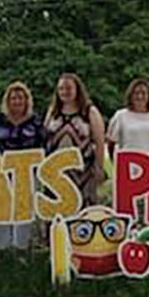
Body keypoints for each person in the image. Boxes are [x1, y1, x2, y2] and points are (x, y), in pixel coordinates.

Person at [106, 77, 149, 262]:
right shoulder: (121, 115)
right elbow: (111, 143)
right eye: (137, 93)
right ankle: (128, 256)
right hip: (130, 175)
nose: (140, 96)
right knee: (130, 218)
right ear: (131, 95)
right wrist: (117, 165)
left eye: (144, 93)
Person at [0, 81, 46, 259]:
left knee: (24, 211)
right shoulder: (0, 120)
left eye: (20, 97)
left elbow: (44, 145)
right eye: (13, 98)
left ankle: (20, 250)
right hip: (2, 172)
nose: (17, 101)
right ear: (7, 101)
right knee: (2, 210)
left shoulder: (36, 121)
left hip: (27, 173)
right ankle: (1, 251)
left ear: (26, 100)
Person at [44, 73, 105, 208]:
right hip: (56, 173)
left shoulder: (89, 111)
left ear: (77, 90)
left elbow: (100, 142)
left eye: (69, 88)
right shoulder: (53, 111)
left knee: (82, 208)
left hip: (83, 171)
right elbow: (45, 137)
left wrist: (99, 168)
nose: (65, 92)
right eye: (61, 89)